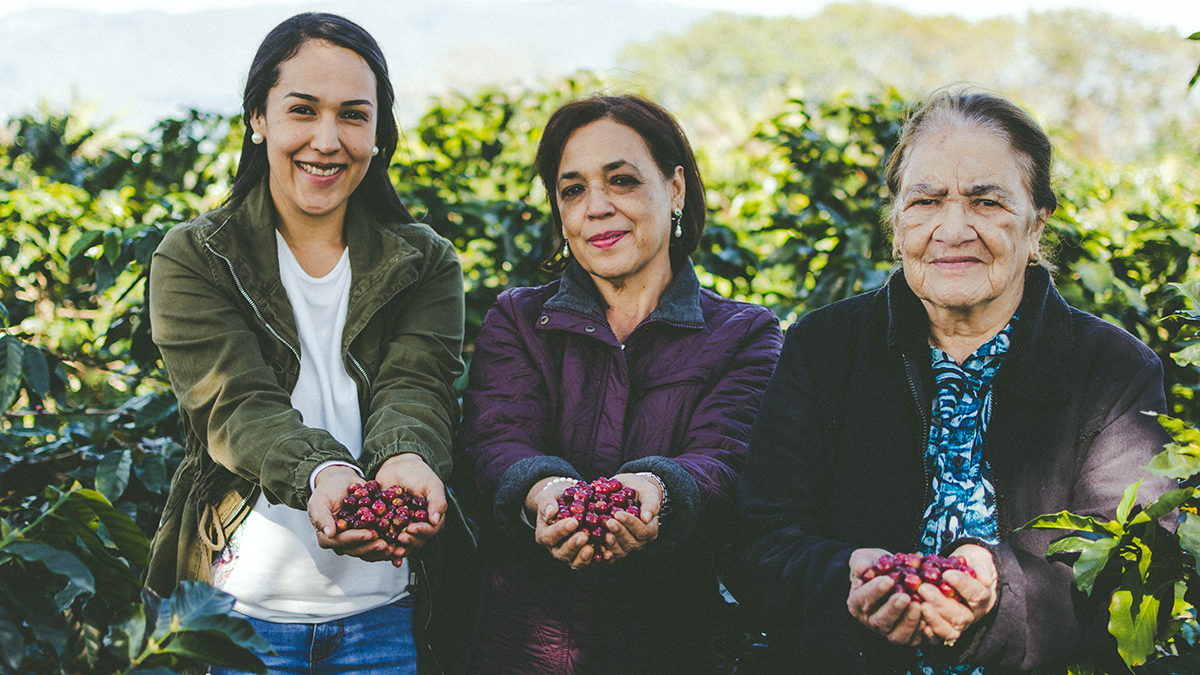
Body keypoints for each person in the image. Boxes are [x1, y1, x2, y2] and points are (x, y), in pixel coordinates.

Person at [723, 88, 1177, 674]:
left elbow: (1138, 572)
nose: (954, 228)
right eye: (927, 201)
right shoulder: (824, 348)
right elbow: (758, 542)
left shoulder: (1112, 371)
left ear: (1038, 224)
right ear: (896, 222)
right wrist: (850, 576)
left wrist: (1000, 592)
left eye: (987, 202)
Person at [145, 13, 464, 675]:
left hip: (386, 618)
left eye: (353, 114)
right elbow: (235, 406)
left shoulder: (425, 261)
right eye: (301, 110)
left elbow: (417, 384)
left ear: (379, 133)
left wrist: (407, 456)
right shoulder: (197, 258)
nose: (327, 139)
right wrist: (325, 474)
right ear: (257, 118)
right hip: (238, 618)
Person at [453, 94, 783, 674]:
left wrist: (656, 488)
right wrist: (543, 491)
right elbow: (491, 443)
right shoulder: (519, 320)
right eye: (573, 190)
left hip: (673, 650)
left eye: (622, 181)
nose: (597, 208)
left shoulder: (744, 334)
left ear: (675, 188)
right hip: (519, 653)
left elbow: (729, 460)